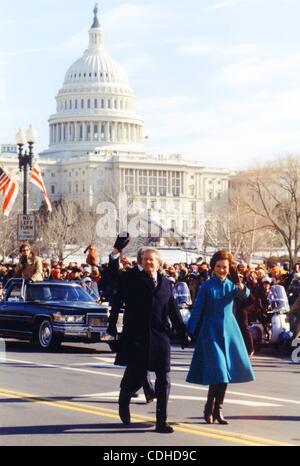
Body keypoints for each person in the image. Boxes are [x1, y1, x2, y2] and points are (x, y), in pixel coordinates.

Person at [109, 236, 190, 434]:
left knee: (164, 378)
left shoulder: (165, 283)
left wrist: (182, 333)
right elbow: (113, 273)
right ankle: (124, 398)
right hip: (138, 336)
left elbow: (173, 310)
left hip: (160, 336)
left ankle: (161, 421)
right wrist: (116, 252)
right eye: (145, 259)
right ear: (140, 262)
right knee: (135, 376)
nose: (148, 262)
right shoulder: (132, 279)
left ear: (158, 262)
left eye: (151, 259)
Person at [186, 250, 255, 425]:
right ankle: (209, 408)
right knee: (219, 371)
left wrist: (242, 287)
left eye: (224, 267)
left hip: (230, 331)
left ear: (229, 268)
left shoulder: (232, 285)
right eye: (218, 267)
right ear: (213, 267)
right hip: (211, 331)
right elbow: (198, 309)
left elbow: (245, 296)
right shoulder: (207, 286)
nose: (221, 270)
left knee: (225, 373)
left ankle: (218, 409)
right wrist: (189, 331)